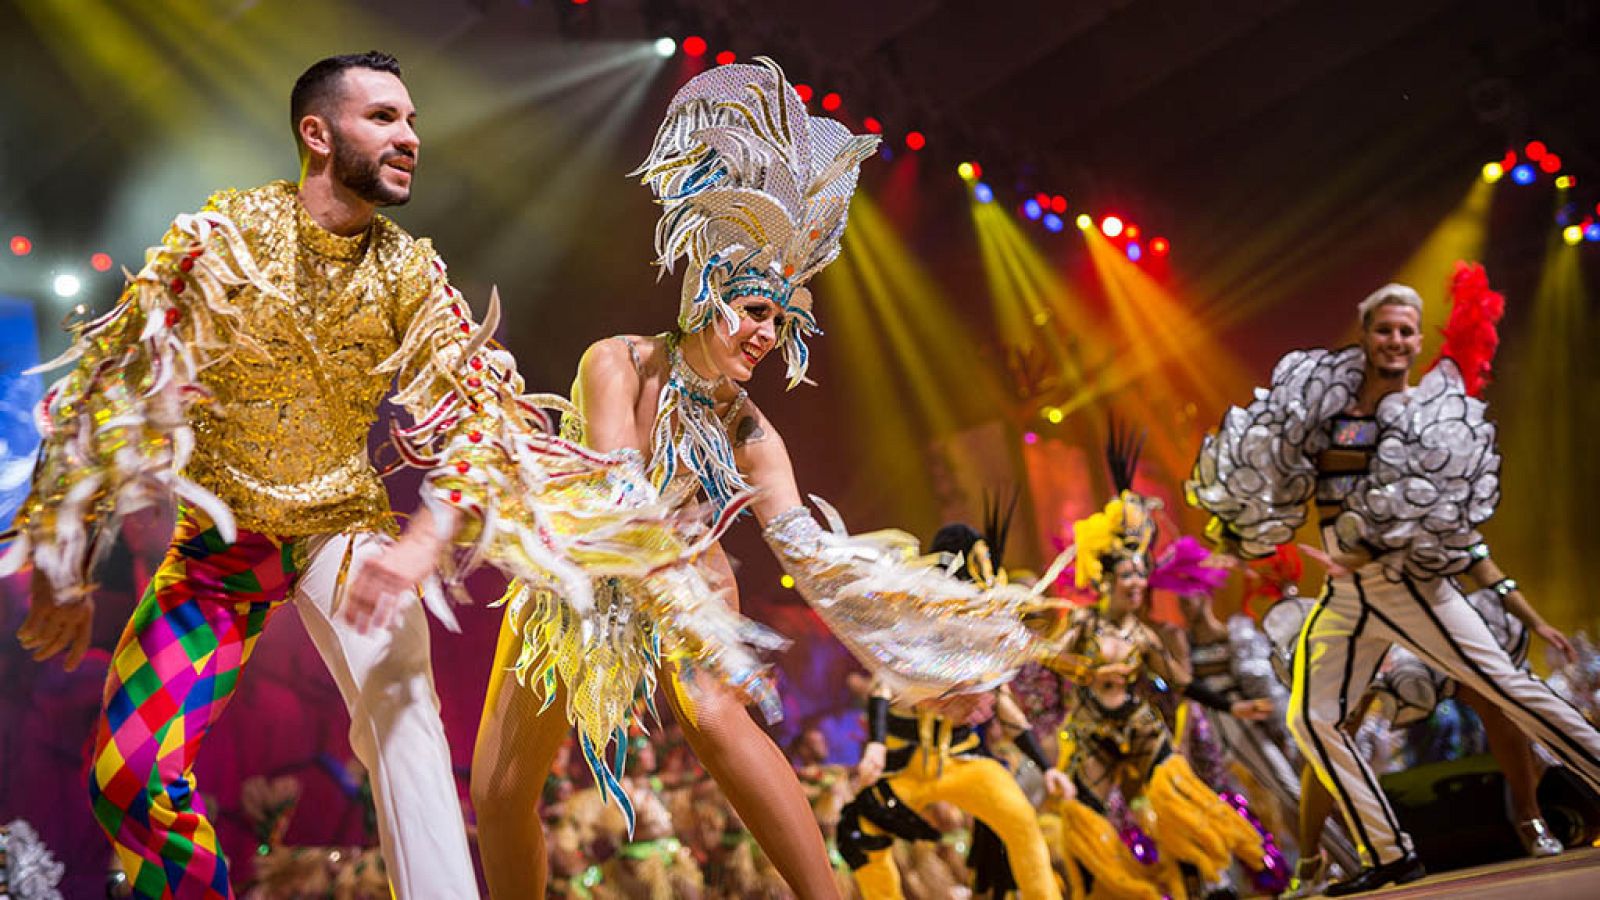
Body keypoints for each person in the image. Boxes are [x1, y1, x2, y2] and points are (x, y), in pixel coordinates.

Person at [8, 51, 677, 899]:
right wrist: (62, 568)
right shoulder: (222, 239)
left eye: (413, 121)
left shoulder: (408, 269)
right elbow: (112, 385)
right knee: (129, 773)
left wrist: (421, 543)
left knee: (406, 730)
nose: (411, 138)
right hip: (223, 549)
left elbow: (486, 414)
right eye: (386, 118)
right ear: (317, 134)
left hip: (342, 529)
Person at [469, 58, 1056, 900]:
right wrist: (684, 590)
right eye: (755, 312)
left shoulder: (753, 435)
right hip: (579, 581)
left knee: (712, 712)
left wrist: (931, 654)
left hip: (680, 572)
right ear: (709, 293)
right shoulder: (620, 364)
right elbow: (617, 495)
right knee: (498, 791)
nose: (767, 337)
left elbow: (818, 561)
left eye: (781, 321)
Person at [1188, 264, 1598, 895]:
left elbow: (1447, 521)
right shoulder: (1333, 409)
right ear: (1366, 333)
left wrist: (1517, 606)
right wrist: (1247, 520)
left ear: (1417, 340)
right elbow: (1307, 488)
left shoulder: (1429, 415)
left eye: (1408, 331)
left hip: (1410, 586)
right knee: (1313, 717)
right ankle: (1388, 851)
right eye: (1385, 330)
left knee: (1507, 691)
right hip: (1348, 596)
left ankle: (1551, 797)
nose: (1396, 341)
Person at [840, 523, 1071, 900]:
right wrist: (876, 746)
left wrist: (1047, 769)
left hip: (963, 763)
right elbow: (883, 685)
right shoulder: (911, 634)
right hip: (906, 766)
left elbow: (1005, 707)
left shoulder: (982, 641)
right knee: (861, 833)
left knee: (1021, 821)